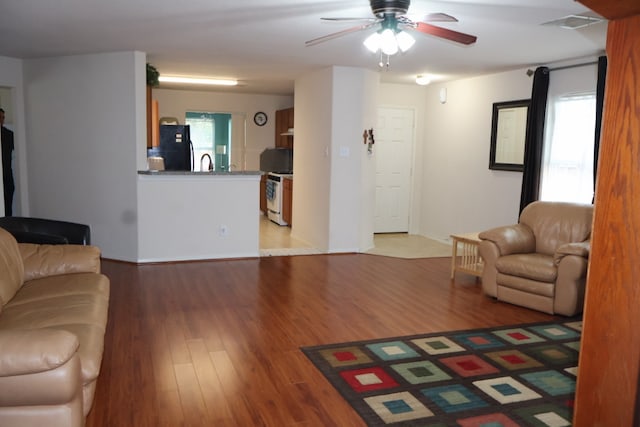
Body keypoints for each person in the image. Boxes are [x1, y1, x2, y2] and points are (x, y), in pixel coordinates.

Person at [0, 108, 15, 216]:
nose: (2, 119)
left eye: (3, 117)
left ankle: (8, 228)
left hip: (7, 176)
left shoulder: (9, 135)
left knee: (8, 206)